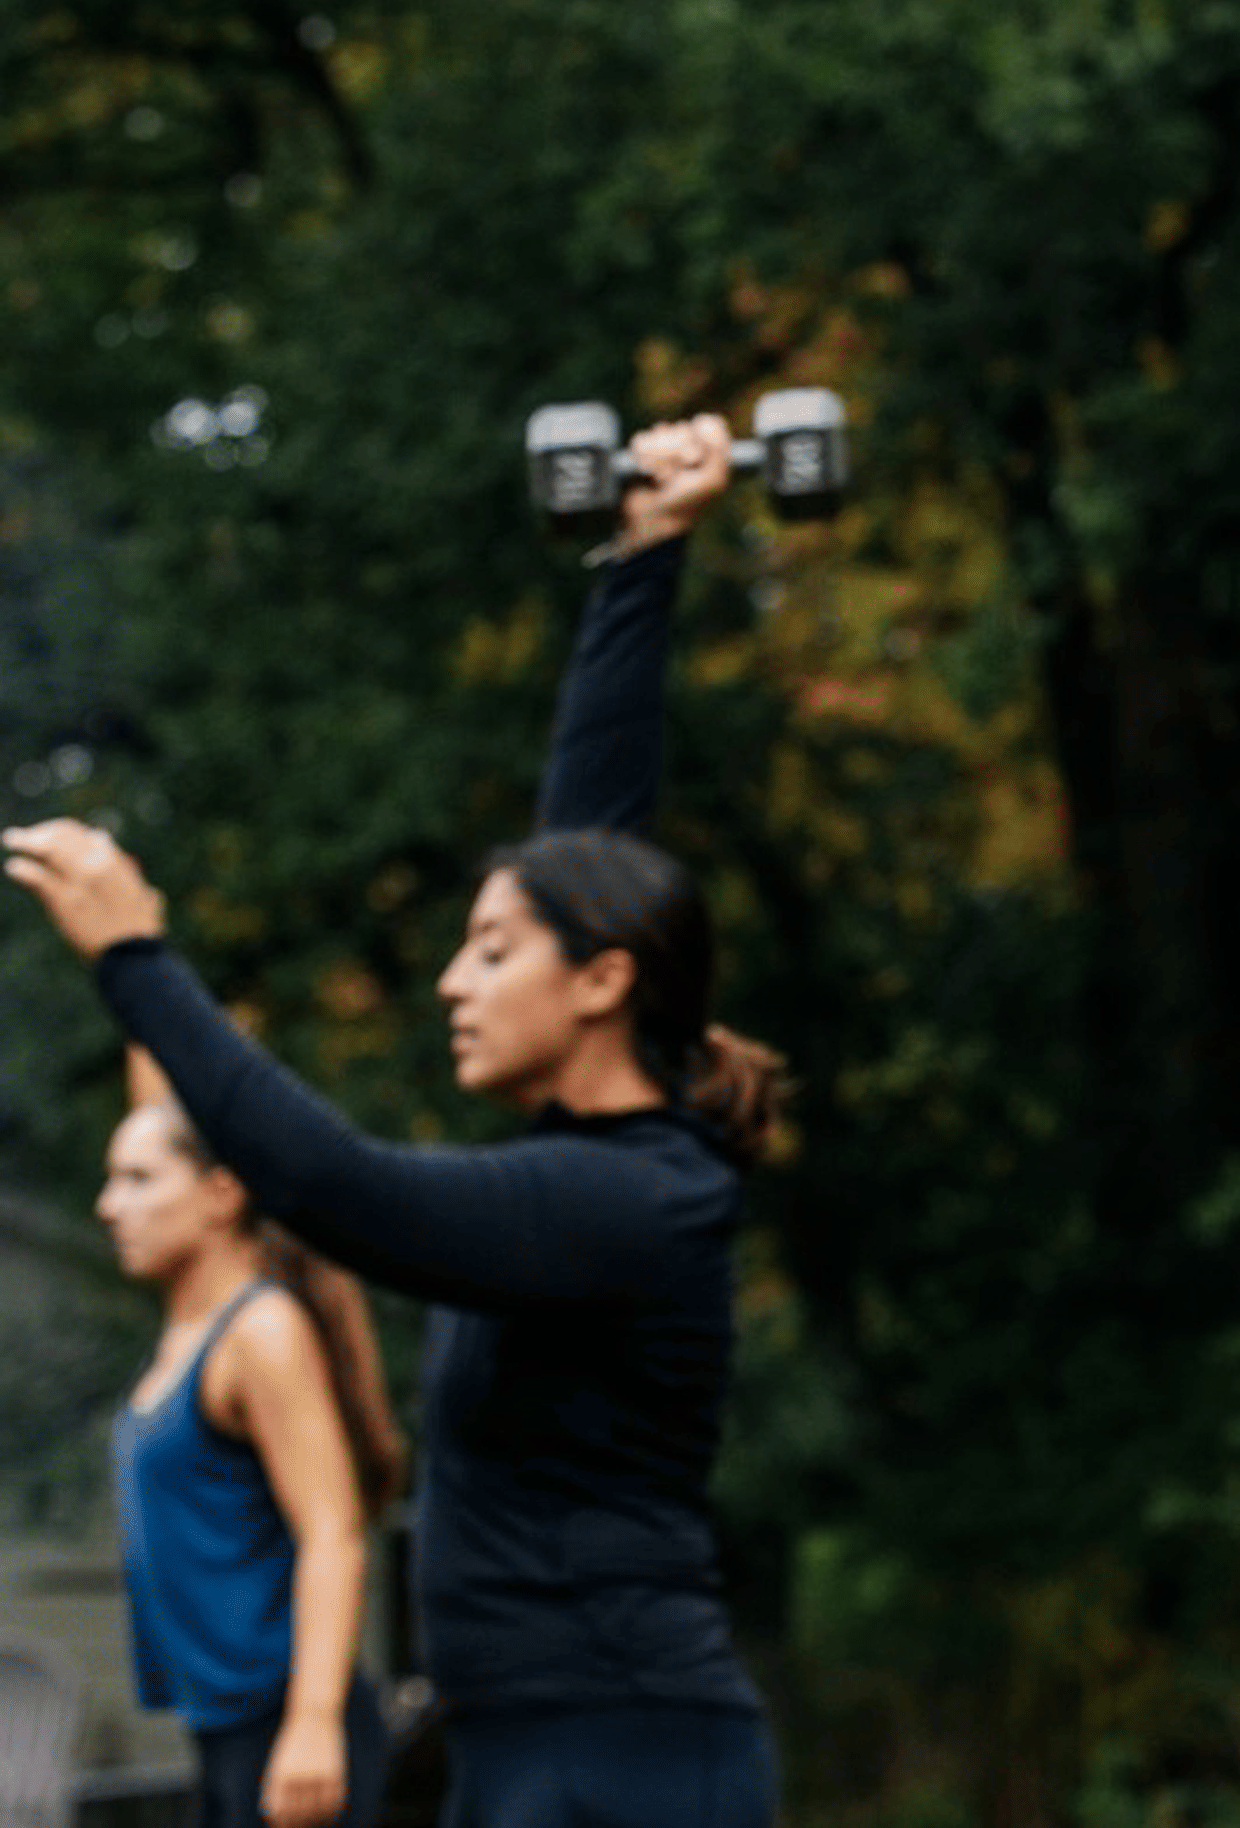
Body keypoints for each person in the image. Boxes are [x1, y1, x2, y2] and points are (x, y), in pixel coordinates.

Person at [11, 418, 787, 1828]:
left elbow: (330, 1184)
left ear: (604, 981)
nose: (452, 977)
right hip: (524, 1742)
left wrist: (138, 961)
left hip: (627, 1755)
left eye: (492, 950)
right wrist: (643, 557)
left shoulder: (639, 1198)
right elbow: (587, 844)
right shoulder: (581, 1155)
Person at [98, 1087, 404, 1828]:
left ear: (221, 1194)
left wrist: (314, 1723)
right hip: (224, 1729)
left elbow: (332, 1532)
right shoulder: (189, 1331)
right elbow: (162, 1090)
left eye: (139, 1179)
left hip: (287, 1726)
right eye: (112, 1178)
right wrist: (121, 978)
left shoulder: (261, 1331)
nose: (109, 1205)